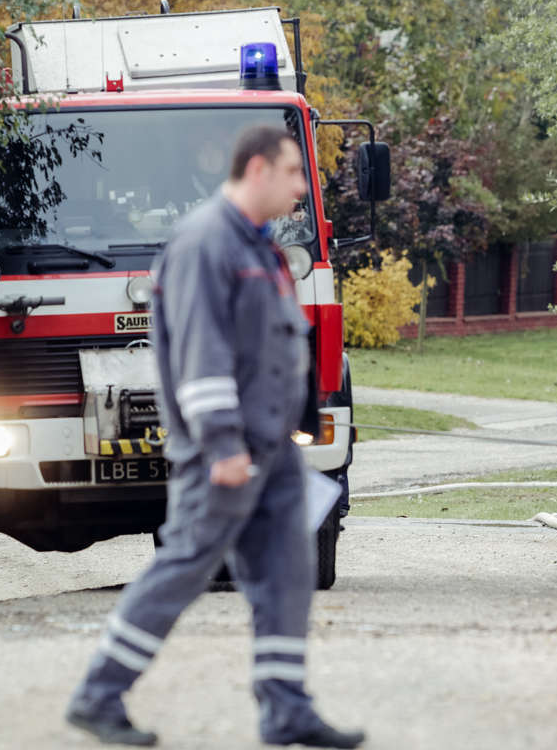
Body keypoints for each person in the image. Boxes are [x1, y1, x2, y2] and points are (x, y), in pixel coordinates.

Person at [65, 126, 364, 749]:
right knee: (185, 565)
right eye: (291, 174)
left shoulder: (262, 248)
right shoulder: (207, 243)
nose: (300, 189)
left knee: (288, 568)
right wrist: (224, 445)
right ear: (257, 169)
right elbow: (203, 358)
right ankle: (98, 695)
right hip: (225, 451)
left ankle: (285, 707)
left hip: (273, 448)